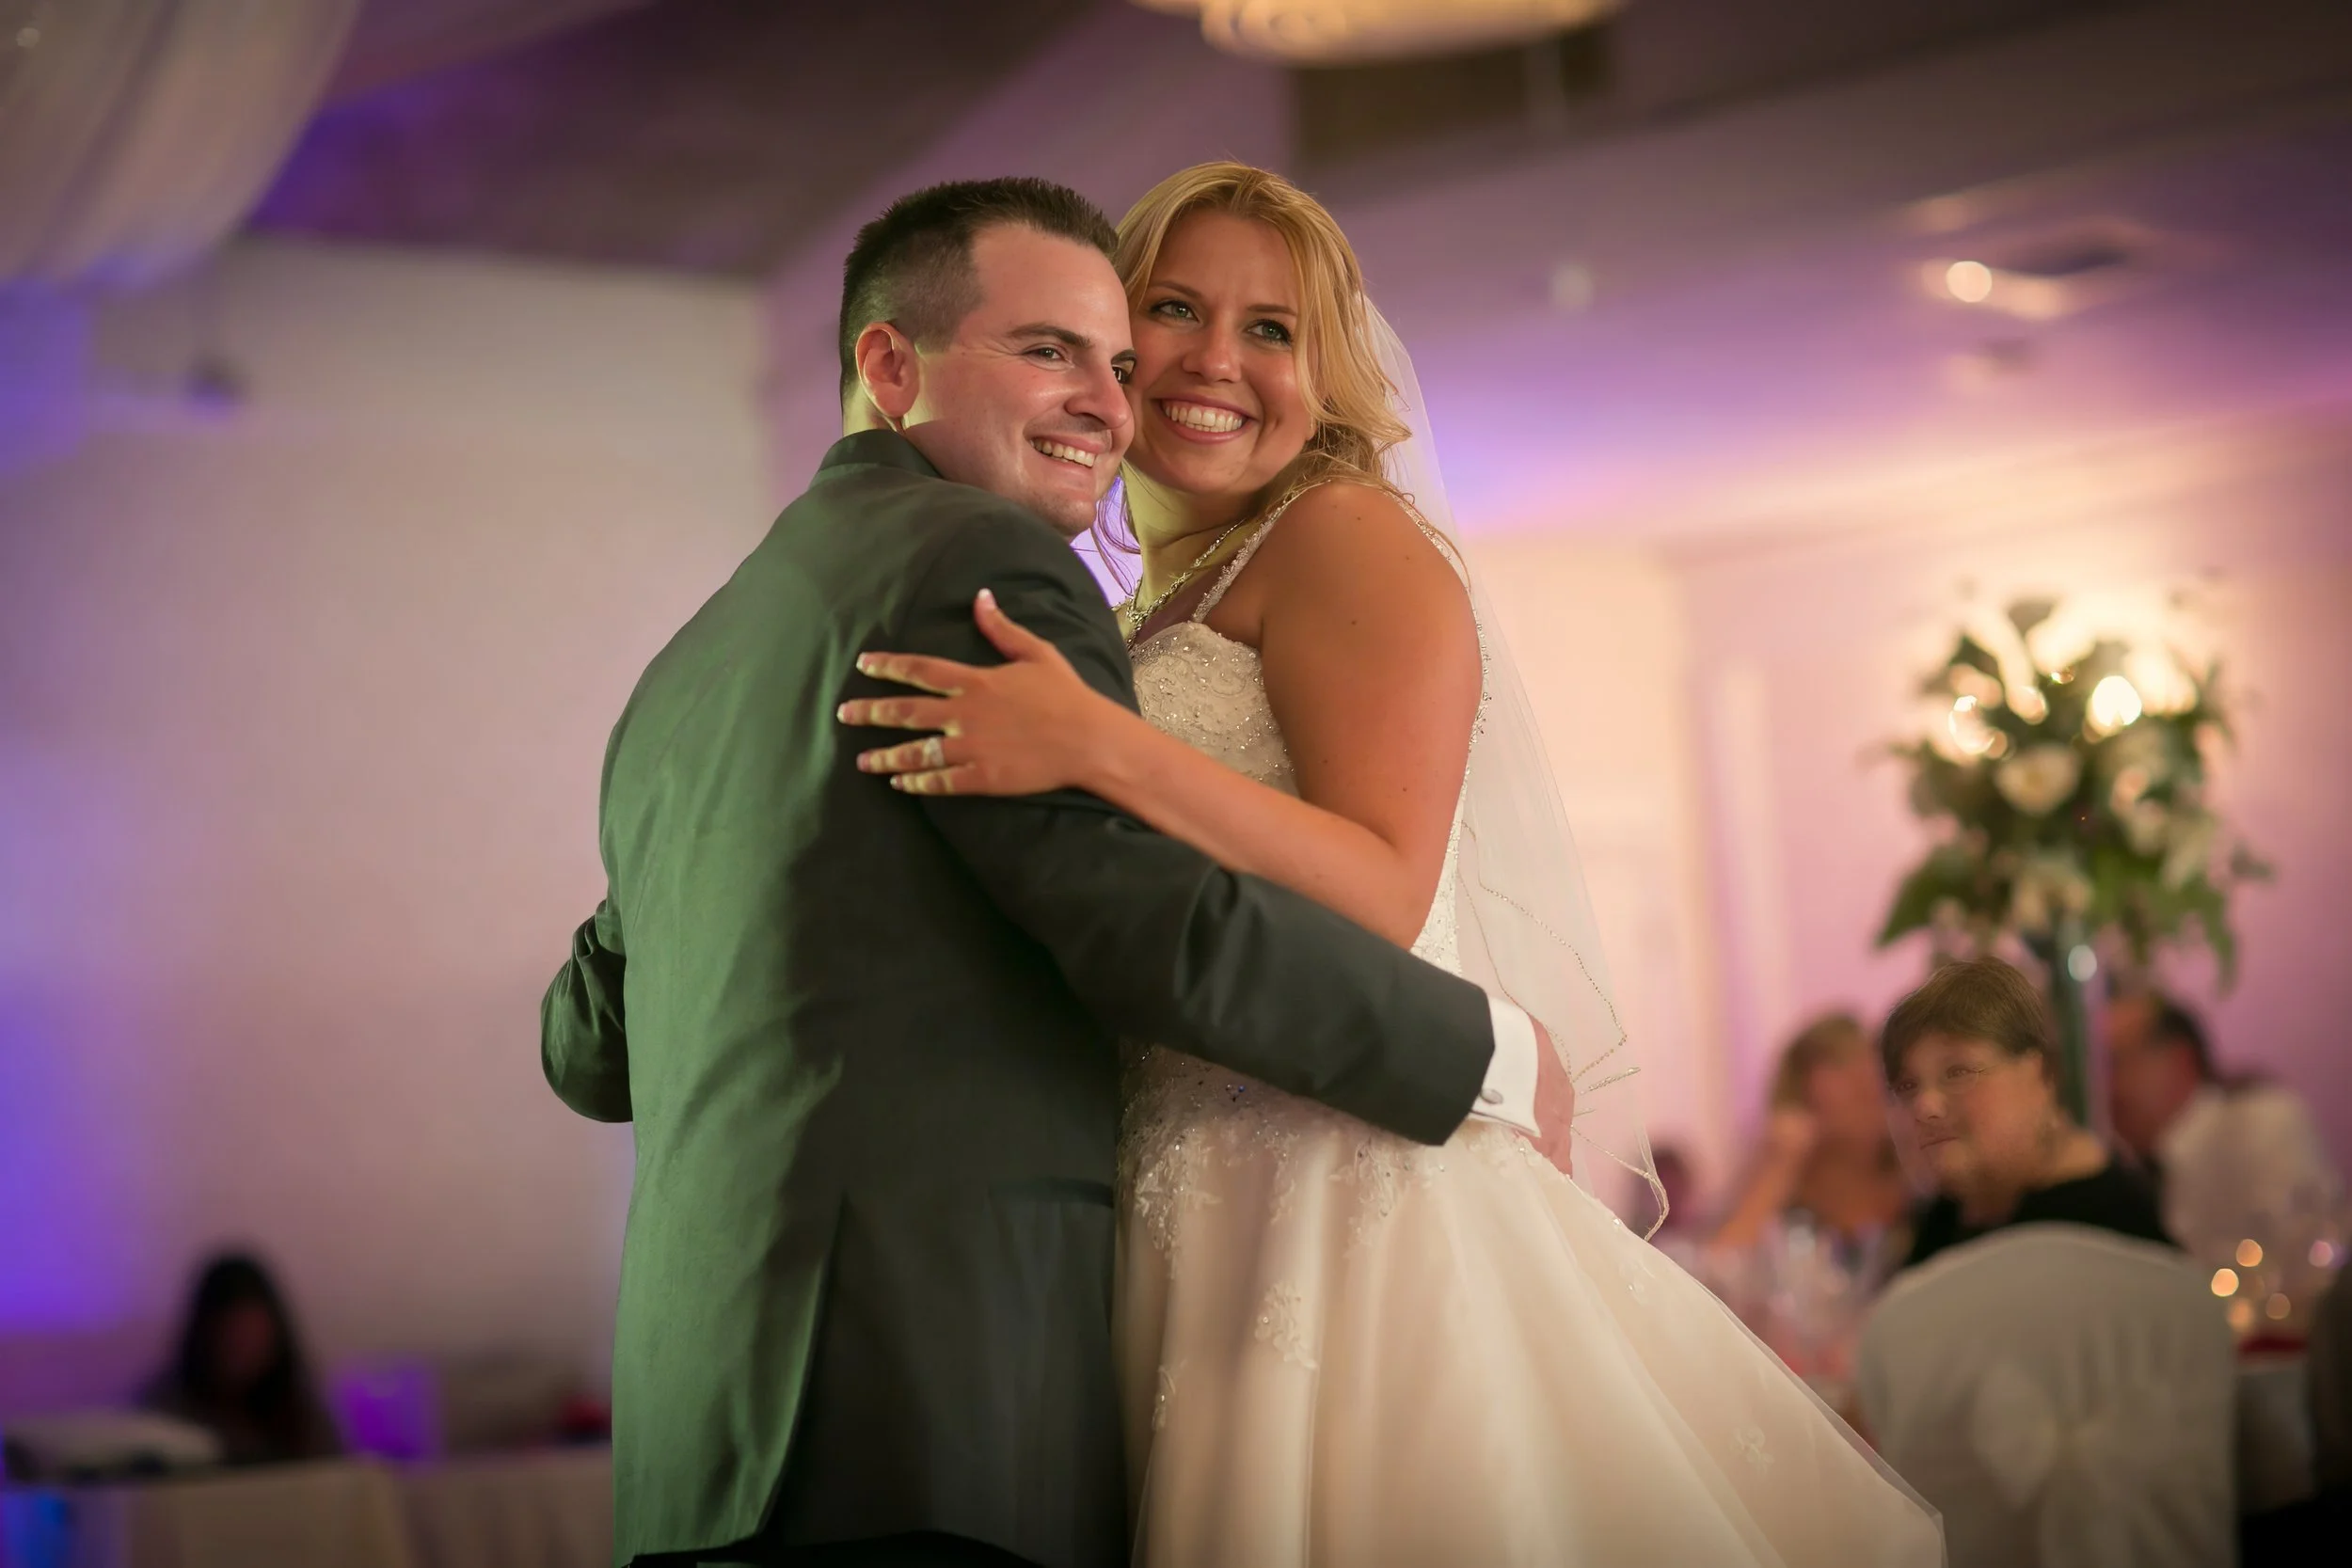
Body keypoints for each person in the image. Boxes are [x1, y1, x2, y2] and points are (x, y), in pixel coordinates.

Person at [847, 161, 1940, 1566]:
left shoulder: (1344, 535)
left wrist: (1099, 745)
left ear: (1329, 373)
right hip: (1177, 1180)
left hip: (1327, 1180)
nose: (1216, 362)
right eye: (1174, 309)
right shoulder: (1149, 592)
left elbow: (1382, 886)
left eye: (1272, 330)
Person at [540, 177, 1572, 1568]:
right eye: (1050, 350)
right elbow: (1141, 928)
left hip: (701, 1429)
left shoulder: (694, 668)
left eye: (1113, 362)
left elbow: (586, 1047)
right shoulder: (981, 567)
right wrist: (1486, 1054)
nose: (1108, 396)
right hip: (920, 1400)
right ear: (890, 365)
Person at [1886, 957, 2171, 1271]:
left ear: (2042, 1075)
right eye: (1909, 1085)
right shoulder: (1948, 1218)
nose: (1926, 1107)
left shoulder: (2111, 1232)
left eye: (1956, 1072)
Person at [2106, 990, 2344, 1263]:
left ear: (2181, 1060)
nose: (2105, 1087)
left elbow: (2306, 1264)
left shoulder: (2262, 1125)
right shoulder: (2130, 1168)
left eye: (2114, 1062)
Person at [1712, 1011, 1913, 1266]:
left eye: (1870, 1064)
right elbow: (1721, 1270)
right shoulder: (1782, 1192)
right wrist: (1780, 1166)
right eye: (1841, 1067)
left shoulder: (1918, 1187)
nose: (1867, 1081)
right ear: (1800, 1096)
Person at [140, 1251, 342, 1465]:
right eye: (230, 1331)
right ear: (205, 1334)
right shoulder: (164, 1415)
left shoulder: (305, 1415)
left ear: (275, 1333)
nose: (241, 1344)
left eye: (250, 1331)